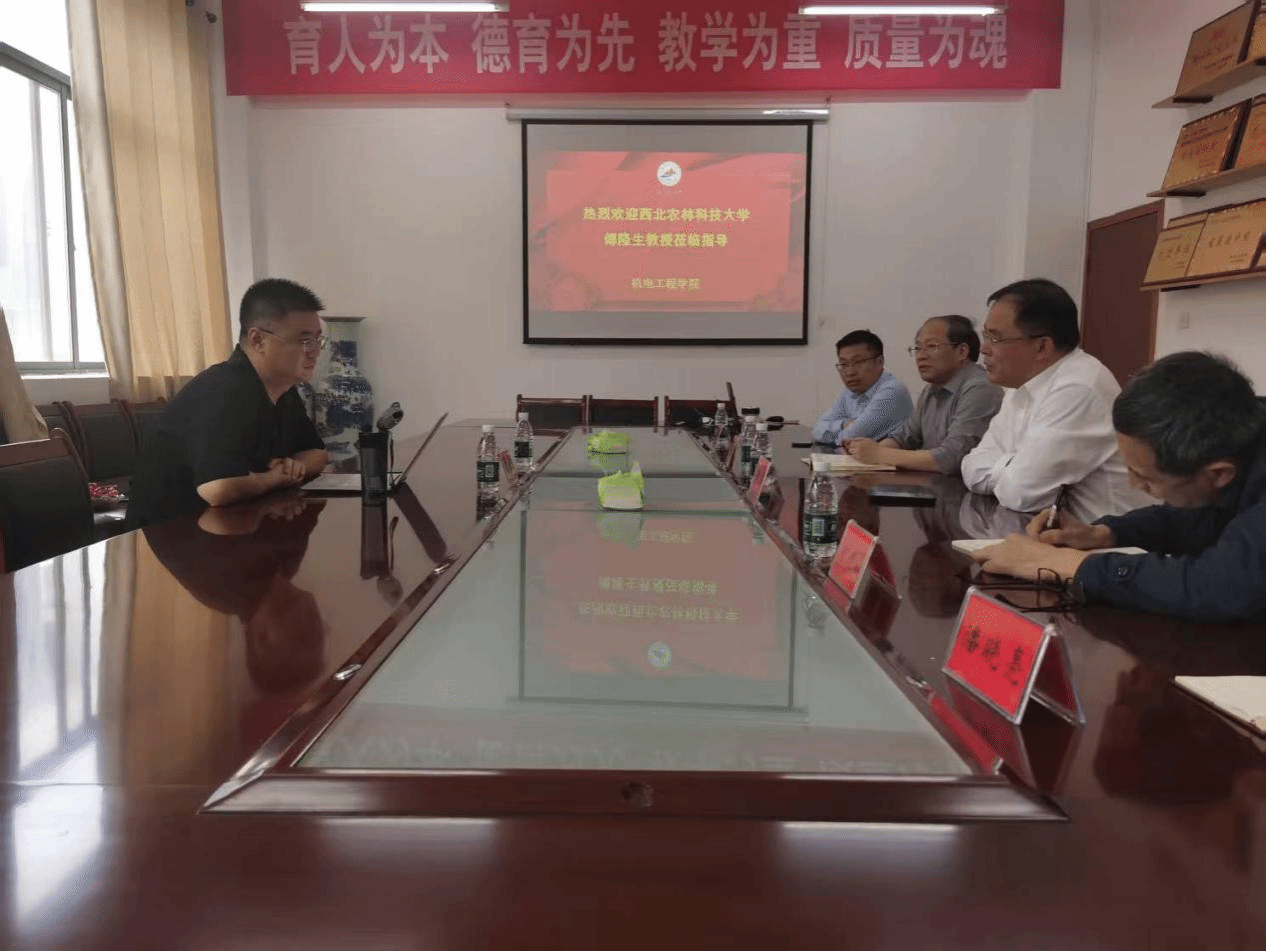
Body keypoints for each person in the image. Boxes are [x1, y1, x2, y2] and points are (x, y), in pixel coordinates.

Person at [973, 352, 1266, 622]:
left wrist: (1065, 564)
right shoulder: (1234, 446)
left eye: (1146, 478)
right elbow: (1190, 518)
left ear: (1218, 474)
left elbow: (1219, 588)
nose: (1133, 484)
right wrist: (1104, 534)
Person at [126, 278, 329, 528]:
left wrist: (294, 467)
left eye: (318, 341)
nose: (315, 351)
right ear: (258, 340)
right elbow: (219, 489)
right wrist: (275, 478)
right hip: (170, 534)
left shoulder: (283, 388)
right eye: (304, 341)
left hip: (232, 525)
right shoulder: (222, 391)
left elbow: (316, 453)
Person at [960, 278, 1148, 522]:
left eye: (995, 338)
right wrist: (1013, 466)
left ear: (1042, 347)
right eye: (985, 335)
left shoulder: (1078, 387)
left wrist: (1010, 467)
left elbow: (1021, 493)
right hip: (1050, 533)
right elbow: (971, 465)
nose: (984, 349)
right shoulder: (1022, 384)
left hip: (1109, 539)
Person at [844, 315, 1002, 473]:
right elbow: (904, 438)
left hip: (963, 487)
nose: (921, 356)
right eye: (918, 348)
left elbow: (951, 458)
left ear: (961, 351)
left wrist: (879, 454)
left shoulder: (981, 388)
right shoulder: (931, 390)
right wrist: (864, 452)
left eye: (932, 346)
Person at [810, 329, 913, 445]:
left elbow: (845, 440)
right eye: (844, 364)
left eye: (858, 362)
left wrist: (836, 431)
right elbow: (816, 430)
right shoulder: (849, 392)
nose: (850, 372)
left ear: (880, 362)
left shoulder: (892, 391)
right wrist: (843, 424)